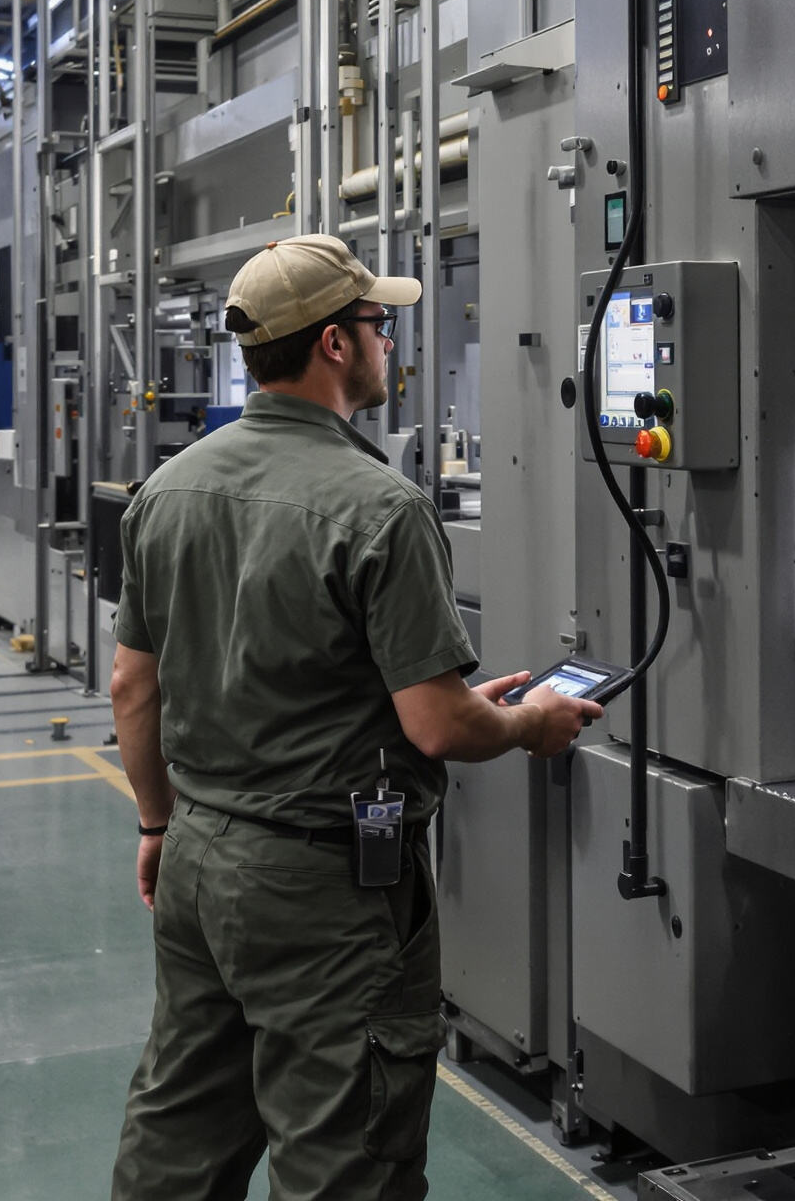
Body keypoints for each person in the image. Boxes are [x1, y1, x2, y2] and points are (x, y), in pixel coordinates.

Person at [105, 233, 602, 1200]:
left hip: (203, 855)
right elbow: (438, 730)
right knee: (343, 1153)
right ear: (335, 344)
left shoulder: (167, 491)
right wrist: (528, 723)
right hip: (325, 883)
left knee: (182, 1127)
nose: (389, 341)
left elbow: (134, 687)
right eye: (379, 323)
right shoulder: (382, 507)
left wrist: (160, 823)